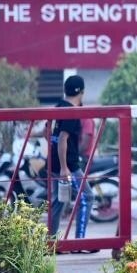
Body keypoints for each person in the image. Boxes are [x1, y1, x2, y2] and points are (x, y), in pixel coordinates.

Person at [48, 75, 96, 252]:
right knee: (87, 197)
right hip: (68, 165)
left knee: (59, 201)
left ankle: (51, 243)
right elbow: (62, 139)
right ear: (82, 92)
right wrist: (64, 168)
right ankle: (79, 243)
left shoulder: (59, 106)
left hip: (54, 162)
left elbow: (50, 132)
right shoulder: (72, 112)